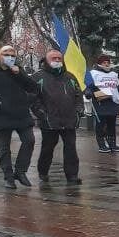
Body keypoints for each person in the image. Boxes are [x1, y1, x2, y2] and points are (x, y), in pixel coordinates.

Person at [31, 50, 83, 188]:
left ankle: (72, 175)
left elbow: (78, 96)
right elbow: (33, 99)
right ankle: (43, 171)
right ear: (46, 60)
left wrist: (78, 111)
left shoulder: (70, 77)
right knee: (48, 148)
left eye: (59, 58)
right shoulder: (38, 77)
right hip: (49, 121)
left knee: (71, 148)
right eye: (53, 58)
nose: (57, 60)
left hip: (69, 120)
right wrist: (43, 114)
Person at [0, 45, 37, 189]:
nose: (10, 57)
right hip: (1, 115)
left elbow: (33, 87)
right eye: (6, 54)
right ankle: (8, 177)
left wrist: (19, 74)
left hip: (21, 114)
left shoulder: (19, 70)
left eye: (12, 54)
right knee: (4, 148)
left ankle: (20, 171)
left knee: (30, 141)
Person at [84, 54, 119, 154]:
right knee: (100, 124)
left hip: (112, 102)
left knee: (111, 124)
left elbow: (117, 88)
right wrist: (88, 92)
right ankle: (101, 144)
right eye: (104, 63)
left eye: (107, 62)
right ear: (99, 63)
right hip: (100, 101)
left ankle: (112, 144)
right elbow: (88, 86)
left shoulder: (113, 74)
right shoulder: (93, 73)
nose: (106, 64)